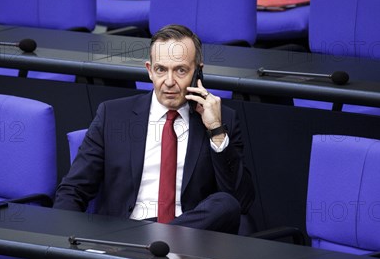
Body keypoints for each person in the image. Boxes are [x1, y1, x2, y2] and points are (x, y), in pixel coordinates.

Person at [53, 24, 254, 233]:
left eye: (181, 70)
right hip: (123, 237)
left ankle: (159, 242)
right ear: (149, 70)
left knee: (225, 203)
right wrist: (66, 244)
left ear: (198, 72)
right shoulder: (113, 115)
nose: (169, 82)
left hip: (188, 239)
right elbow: (72, 190)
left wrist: (215, 130)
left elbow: (241, 201)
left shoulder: (222, 119)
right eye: (161, 69)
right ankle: (149, 246)